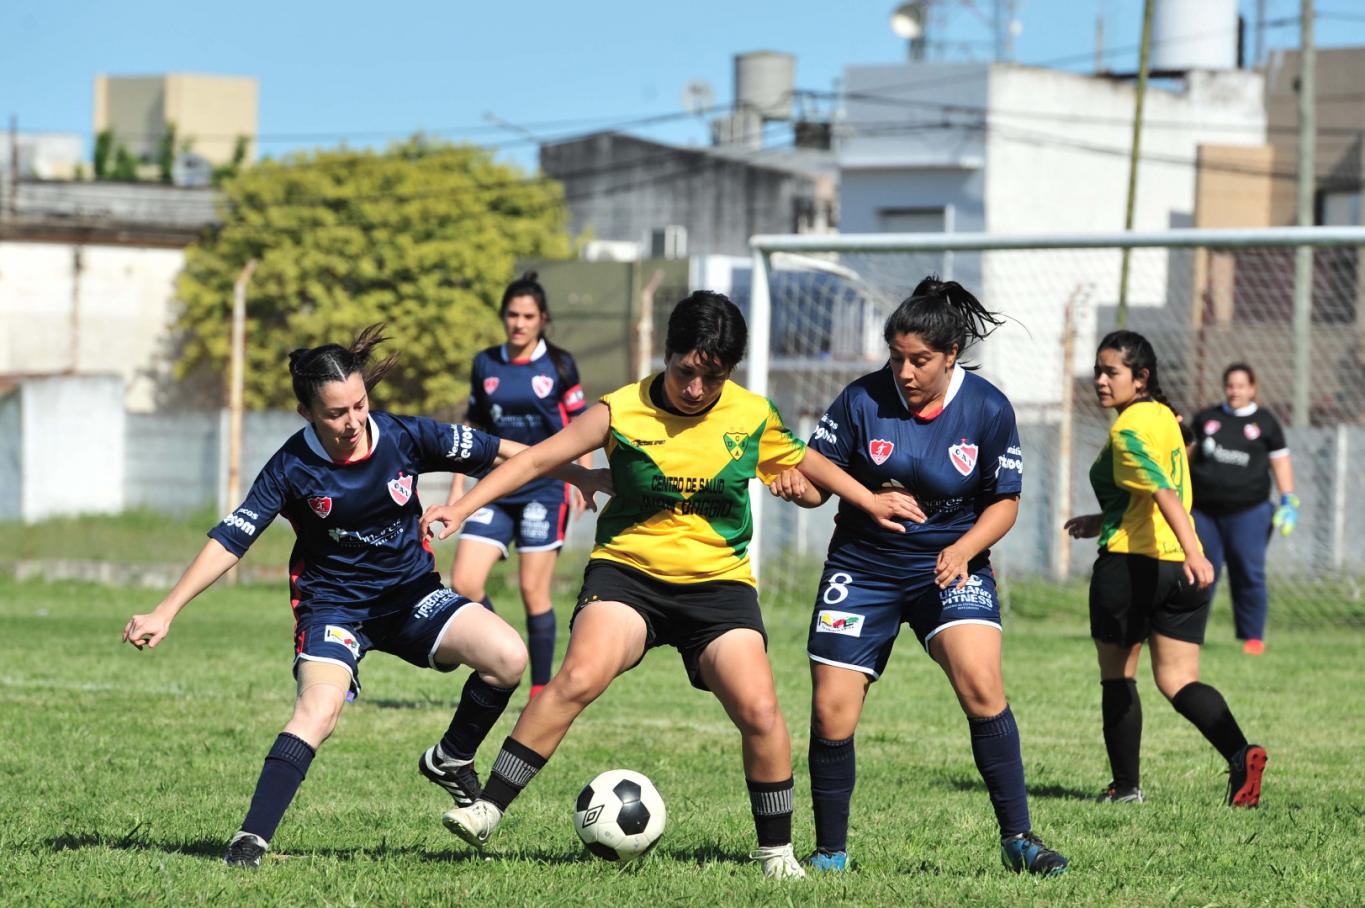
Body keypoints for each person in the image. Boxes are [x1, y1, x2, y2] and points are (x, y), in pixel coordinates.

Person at [419, 291, 919, 879]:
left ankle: (777, 855)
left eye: (714, 377)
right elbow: (532, 461)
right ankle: (487, 808)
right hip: (628, 575)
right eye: (686, 372)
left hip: (718, 586)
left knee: (760, 709)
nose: (697, 389)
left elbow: (810, 467)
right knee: (579, 676)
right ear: (667, 354)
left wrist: (866, 499)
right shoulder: (621, 410)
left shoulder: (752, 414)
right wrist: (462, 507)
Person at [120, 326, 608, 868]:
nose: (353, 421)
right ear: (306, 412)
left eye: (359, 405)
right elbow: (232, 539)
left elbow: (502, 453)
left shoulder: (403, 435)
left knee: (508, 657)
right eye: (336, 413)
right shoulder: (290, 467)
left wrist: (577, 475)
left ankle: (451, 757)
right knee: (318, 710)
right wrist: (166, 609)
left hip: (413, 597)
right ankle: (250, 840)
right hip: (335, 608)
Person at [768, 277, 1069, 878]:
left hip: (949, 564)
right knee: (831, 710)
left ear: (951, 354)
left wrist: (964, 549)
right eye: (896, 357)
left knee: (981, 683)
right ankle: (830, 853)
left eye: (919, 360)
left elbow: (1005, 503)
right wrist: (801, 489)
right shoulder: (860, 399)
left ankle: (1019, 839)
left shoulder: (987, 408)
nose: (904, 371)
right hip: (863, 566)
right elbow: (818, 477)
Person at [1065, 330, 1267, 809]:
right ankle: (1240, 754)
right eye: (1097, 371)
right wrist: (1106, 518)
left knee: (1118, 678)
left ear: (1141, 377)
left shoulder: (1128, 429)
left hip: (1135, 567)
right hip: (1178, 571)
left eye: (1111, 372)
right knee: (1179, 681)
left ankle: (1125, 788)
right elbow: (1162, 480)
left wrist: (1196, 552)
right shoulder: (1165, 417)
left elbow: (1162, 490)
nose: (1100, 380)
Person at [448, 272, 592, 697]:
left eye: (528, 316)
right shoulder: (485, 363)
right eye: (512, 315)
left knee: (533, 590)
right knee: (464, 583)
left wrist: (582, 477)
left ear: (543, 319)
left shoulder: (559, 365)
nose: (519, 323)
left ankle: (539, 692)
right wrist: (457, 487)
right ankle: (504, 648)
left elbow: (583, 424)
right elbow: (472, 427)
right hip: (494, 483)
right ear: (503, 317)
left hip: (546, 487)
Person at [1188, 363, 1297, 655]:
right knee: (1197, 572)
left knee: (1249, 573)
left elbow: (1280, 461)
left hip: (1249, 511)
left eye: (1240, 386)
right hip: (1203, 512)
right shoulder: (1207, 418)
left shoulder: (1265, 422)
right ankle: (1187, 634)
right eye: (1230, 386)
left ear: (1252, 388)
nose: (1234, 391)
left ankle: (1252, 638)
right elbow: (1185, 455)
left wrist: (1288, 499)